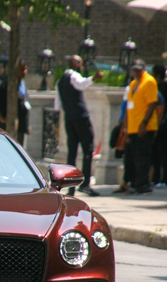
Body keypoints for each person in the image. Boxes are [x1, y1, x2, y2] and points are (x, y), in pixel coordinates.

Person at [54, 55, 103, 196]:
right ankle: (85, 184)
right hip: (81, 118)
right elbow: (81, 84)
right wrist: (94, 77)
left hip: (69, 120)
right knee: (88, 150)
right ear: (74, 64)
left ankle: (71, 188)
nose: (81, 66)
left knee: (72, 153)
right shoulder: (73, 76)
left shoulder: (59, 82)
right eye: (80, 63)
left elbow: (58, 105)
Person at [124, 59, 158, 195]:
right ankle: (135, 183)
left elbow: (152, 104)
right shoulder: (132, 84)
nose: (136, 72)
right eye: (134, 70)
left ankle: (143, 184)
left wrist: (144, 123)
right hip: (133, 127)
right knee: (133, 158)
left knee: (143, 157)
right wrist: (126, 128)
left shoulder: (149, 81)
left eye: (138, 70)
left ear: (144, 69)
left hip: (144, 127)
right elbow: (128, 106)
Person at [0, 60, 30, 145]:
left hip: (21, 127)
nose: (24, 72)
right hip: (10, 127)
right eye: (21, 69)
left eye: (25, 69)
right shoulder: (8, 84)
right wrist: (1, 118)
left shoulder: (22, 84)